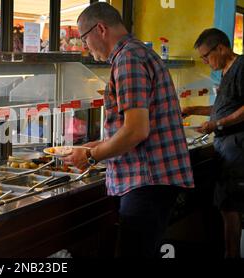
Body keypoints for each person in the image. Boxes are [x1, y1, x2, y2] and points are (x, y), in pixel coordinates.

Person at [61, 2, 194, 258]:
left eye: (84, 39)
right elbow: (136, 124)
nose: (85, 47)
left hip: (146, 179)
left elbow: (136, 131)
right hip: (152, 178)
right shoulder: (138, 52)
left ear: (100, 29)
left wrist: (91, 156)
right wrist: (98, 144)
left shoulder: (128, 59)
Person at [183, 28, 244, 258]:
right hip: (225, 144)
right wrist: (192, 110)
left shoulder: (241, 67)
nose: (206, 62)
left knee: (231, 206)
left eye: (206, 56)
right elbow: (222, 107)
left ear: (221, 48)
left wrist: (217, 124)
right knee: (226, 205)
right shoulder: (226, 72)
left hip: (236, 146)